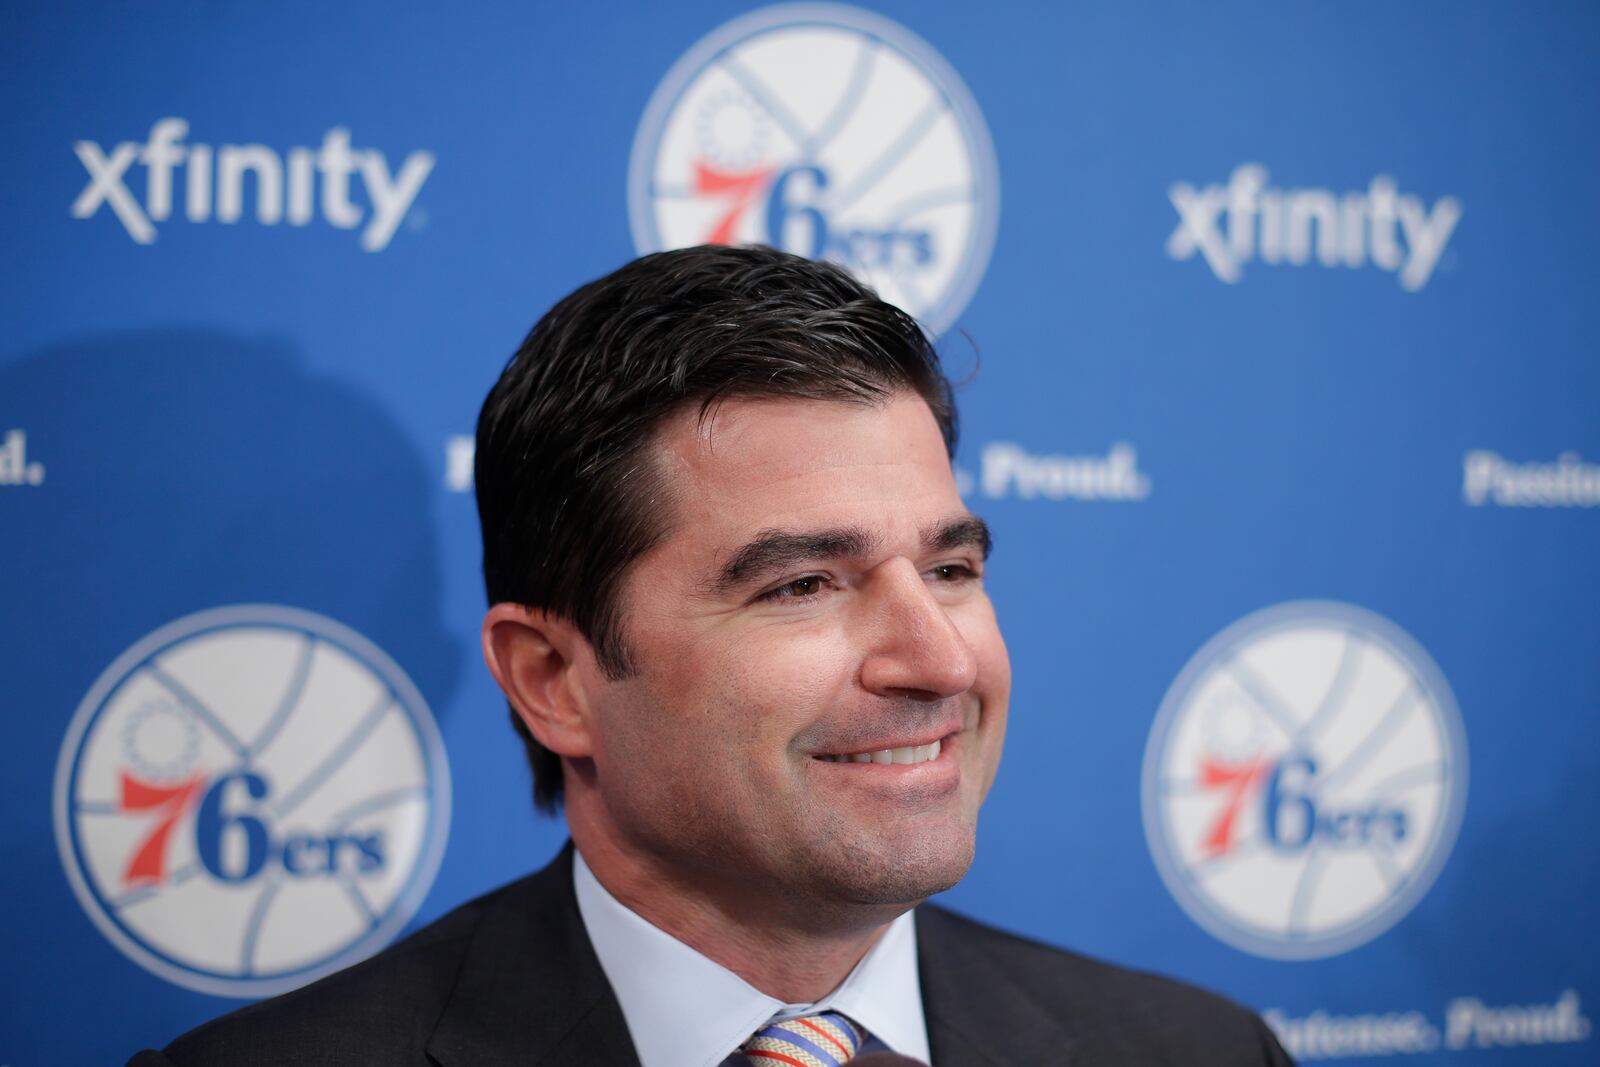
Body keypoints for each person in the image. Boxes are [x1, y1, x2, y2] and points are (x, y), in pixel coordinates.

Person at [131, 245, 1291, 1066]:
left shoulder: (1198, 1048)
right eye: (801, 584)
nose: (938, 659)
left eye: (950, 568)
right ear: (554, 678)